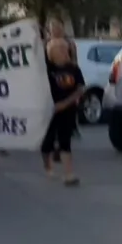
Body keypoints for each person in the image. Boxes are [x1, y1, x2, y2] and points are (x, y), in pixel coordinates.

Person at [44, 38, 84, 186]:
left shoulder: (74, 69)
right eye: (59, 49)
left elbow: (80, 89)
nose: (64, 51)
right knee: (47, 141)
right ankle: (47, 167)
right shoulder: (46, 70)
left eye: (64, 48)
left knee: (65, 141)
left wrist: (65, 103)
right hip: (49, 110)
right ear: (51, 54)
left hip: (67, 110)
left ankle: (69, 174)